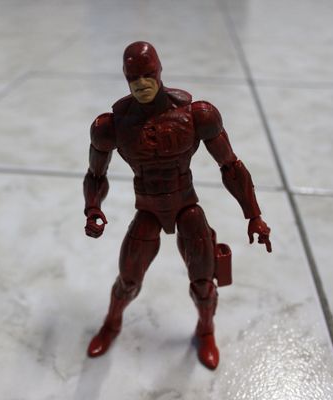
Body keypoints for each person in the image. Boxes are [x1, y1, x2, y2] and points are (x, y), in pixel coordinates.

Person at [83, 41, 272, 369]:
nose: (141, 84)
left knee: (203, 282)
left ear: (159, 71)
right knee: (128, 279)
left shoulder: (196, 115)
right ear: (125, 78)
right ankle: (112, 324)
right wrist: (93, 207)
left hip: (186, 206)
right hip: (148, 209)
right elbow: (96, 175)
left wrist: (253, 215)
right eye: (133, 78)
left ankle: (206, 330)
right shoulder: (111, 127)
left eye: (147, 75)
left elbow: (230, 166)